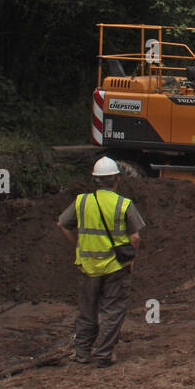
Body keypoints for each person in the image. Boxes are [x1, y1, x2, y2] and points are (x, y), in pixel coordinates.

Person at [55, 156, 144, 367]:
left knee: (87, 311)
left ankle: (82, 352)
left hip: (88, 266)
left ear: (96, 180)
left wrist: (78, 244)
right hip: (115, 267)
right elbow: (135, 237)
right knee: (112, 311)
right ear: (117, 179)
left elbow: (62, 225)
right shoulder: (124, 204)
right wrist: (132, 258)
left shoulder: (81, 201)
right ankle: (103, 354)